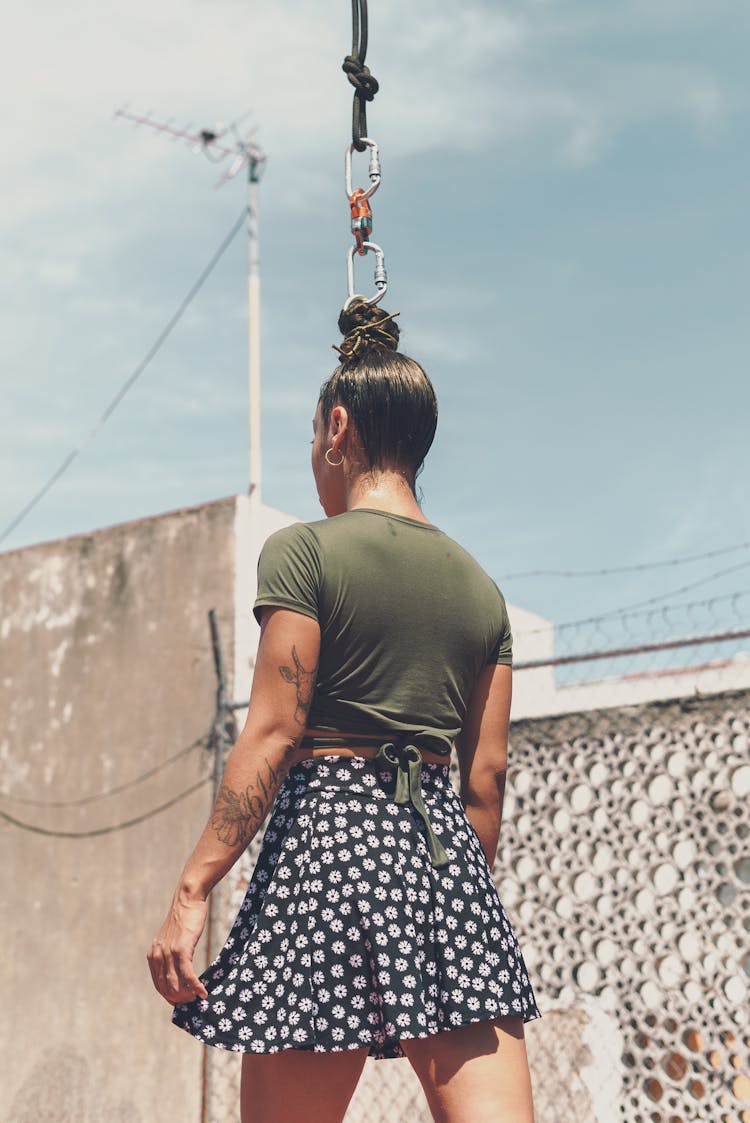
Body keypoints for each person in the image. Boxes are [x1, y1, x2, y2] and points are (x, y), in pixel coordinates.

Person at [147, 300, 541, 1123]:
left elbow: (276, 729)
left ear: (337, 427)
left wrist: (193, 891)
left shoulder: (304, 551)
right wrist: (454, 898)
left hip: (328, 851)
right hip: (445, 861)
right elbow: (487, 777)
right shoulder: (483, 590)